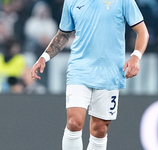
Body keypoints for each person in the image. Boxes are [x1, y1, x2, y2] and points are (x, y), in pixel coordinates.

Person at [31, 0, 149, 149]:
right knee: (74, 122)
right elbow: (63, 34)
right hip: (79, 69)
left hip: (110, 72)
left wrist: (136, 57)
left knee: (99, 129)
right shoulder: (72, 1)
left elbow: (142, 31)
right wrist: (44, 57)